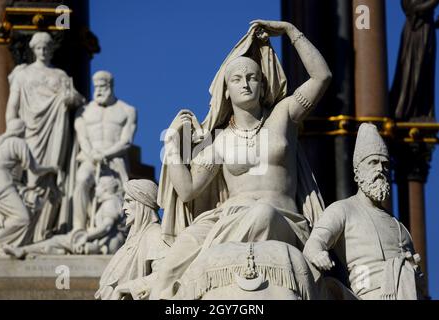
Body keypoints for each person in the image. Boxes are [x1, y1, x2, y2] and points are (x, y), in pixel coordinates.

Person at [153, 19, 331, 299]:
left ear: (263, 85)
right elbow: (187, 191)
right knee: (178, 256)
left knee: (263, 213)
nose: (245, 84)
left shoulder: (283, 115)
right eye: (236, 79)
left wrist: (290, 31)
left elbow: (322, 77)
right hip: (227, 218)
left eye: (252, 78)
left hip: (279, 215)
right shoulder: (219, 140)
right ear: (226, 90)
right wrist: (172, 146)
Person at [303, 123, 425, 300]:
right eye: (373, 162)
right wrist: (318, 255)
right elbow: (313, 245)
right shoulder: (343, 209)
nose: (380, 169)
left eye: (385, 164)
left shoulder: (400, 227)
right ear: (357, 172)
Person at [5, 32, 84, 241]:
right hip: (31, 131)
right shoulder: (22, 75)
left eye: (47, 47)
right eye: (39, 47)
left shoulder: (60, 75)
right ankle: (29, 232)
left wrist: (71, 98)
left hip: (56, 132)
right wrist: (11, 129)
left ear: (51, 50)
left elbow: (78, 99)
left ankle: (46, 230)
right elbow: (12, 106)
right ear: (33, 49)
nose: (43, 51)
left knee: (52, 179)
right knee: (34, 177)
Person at [73, 71, 137, 231]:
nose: (99, 90)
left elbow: (126, 141)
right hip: (90, 157)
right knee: (81, 180)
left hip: (115, 159)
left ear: (111, 86)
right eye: (96, 87)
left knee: (124, 192)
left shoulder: (127, 110)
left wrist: (106, 154)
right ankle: (79, 227)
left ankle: (119, 229)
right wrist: (93, 155)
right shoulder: (83, 111)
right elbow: (83, 139)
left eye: (103, 86)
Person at [3, 176, 125, 258]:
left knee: (57, 240)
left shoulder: (111, 203)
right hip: (103, 243)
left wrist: (86, 236)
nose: (95, 189)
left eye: (98, 186)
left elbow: (107, 227)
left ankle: (24, 251)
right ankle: (50, 251)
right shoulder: (112, 202)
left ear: (104, 189)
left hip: (107, 245)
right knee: (58, 242)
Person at [0, 119, 57, 253]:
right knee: (22, 218)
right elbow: (35, 168)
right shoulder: (18, 142)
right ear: (21, 131)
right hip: (2, 184)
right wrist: (51, 168)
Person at [95, 179, 168, 300]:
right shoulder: (133, 238)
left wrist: (127, 287)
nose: (124, 208)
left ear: (143, 203)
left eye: (129, 201)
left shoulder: (154, 234)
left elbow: (164, 274)